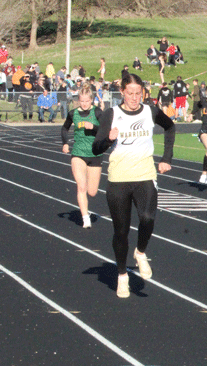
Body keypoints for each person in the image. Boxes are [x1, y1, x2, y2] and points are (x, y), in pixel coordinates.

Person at [91, 73, 175, 298]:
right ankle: (122, 276)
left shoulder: (151, 111)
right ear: (122, 93)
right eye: (130, 93)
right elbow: (96, 148)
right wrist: (108, 139)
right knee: (121, 230)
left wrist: (167, 158)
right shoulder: (112, 114)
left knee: (148, 218)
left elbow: (170, 127)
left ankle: (141, 252)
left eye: (139, 93)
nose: (135, 97)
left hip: (145, 174)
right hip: (119, 177)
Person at [61, 86, 104, 229]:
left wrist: (93, 127)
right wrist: (65, 143)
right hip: (78, 154)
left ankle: (87, 213)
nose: (84, 104)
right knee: (81, 186)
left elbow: (106, 129)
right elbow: (64, 128)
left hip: (95, 154)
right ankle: (85, 218)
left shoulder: (97, 112)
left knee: (92, 192)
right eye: (82, 101)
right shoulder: (73, 113)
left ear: (91, 100)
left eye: (87, 101)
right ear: (78, 100)